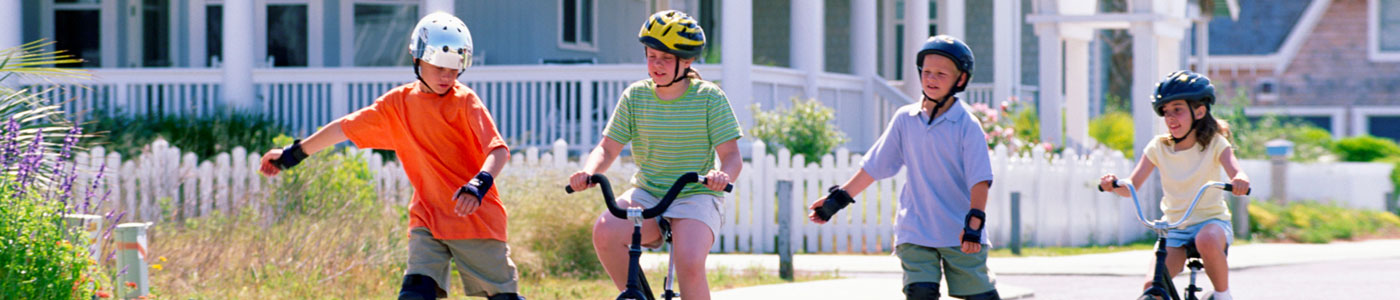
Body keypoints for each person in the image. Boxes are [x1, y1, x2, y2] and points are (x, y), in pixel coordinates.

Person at [257, 12, 525, 300]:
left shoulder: (465, 101)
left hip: (474, 218)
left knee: (503, 298)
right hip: (428, 219)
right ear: (417, 58)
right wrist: (292, 155)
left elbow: (497, 149)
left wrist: (478, 185)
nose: (447, 76)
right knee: (414, 294)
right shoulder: (396, 105)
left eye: (455, 69)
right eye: (439, 67)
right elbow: (343, 128)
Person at [566, 10, 742, 300]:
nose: (656, 64)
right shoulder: (636, 96)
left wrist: (723, 176)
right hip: (647, 191)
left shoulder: (709, 97)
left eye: (666, 58)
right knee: (605, 231)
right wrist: (589, 171)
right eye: (651, 56)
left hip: (695, 194)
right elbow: (607, 148)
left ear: (686, 61)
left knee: (689, 262)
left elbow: (732, 155)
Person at [809, 35, 1001, 300]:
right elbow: (874, 167)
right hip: (916, 229)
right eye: (927, 72)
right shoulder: (905, 119)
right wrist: (837, 199)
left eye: (941, 74)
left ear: (960, 80)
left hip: (959, 231)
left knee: (979, 295)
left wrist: (974, 224)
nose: (931, 79)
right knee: (919, 293)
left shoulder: (966, 124)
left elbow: (979, 179)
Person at [1099, 70, 1249, 300]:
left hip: (1211, 223)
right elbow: (1131, 186)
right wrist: (1114, 184)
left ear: (1199, 111)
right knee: (1153, 285)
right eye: (1165, 112)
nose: (1170, 118)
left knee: (1206, 240)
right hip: (1175, 228)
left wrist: (1240, 180)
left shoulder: (1215, 143)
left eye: (1177, 109)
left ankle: (1223, 296)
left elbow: (1235, 171)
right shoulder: (1158, 147)